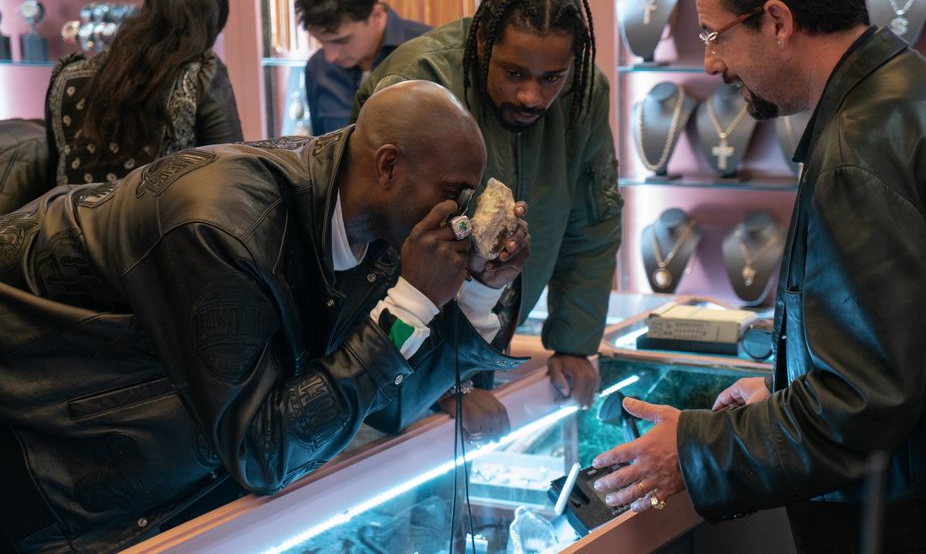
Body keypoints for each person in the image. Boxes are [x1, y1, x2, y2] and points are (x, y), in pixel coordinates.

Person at [0, 80, 530, 553]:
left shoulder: (376, 221)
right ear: (388, 166)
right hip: (44, 456)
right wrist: (412, 304)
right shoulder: (223, 228)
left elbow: (386, 407)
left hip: (162, 472)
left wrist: (481, 290)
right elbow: (262, 450)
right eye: (452, 192)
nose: (461, 214)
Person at [591, 0, 926, 552]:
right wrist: (787, 382)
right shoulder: (914, 99)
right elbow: (912, 345)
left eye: (714, 35)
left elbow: (859, 406)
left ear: (777, 21)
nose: (710, 64)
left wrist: (692, 448)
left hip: (906, 522)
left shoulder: (860, 151)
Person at [351, 0, 623, 435]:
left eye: (551, 78)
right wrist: (445, 386)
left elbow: (592, 222)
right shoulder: (417, 81)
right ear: (482, 46)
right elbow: (376, 250)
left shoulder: (584, 92)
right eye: (514, 73)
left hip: (491, 332)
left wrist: (575, 343)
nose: (531, 95)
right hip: (385, 358)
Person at [45, 0, 242, 187]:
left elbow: (51, 175)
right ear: (211, 27)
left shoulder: (67, 75)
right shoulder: (200, 75)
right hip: (161, 219)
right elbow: (230, 174)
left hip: (67, 217)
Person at [295, 0, 431, 135]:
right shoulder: (317, 68)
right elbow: (323, 156)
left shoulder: (428, 52)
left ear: (375, 15)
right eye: (322, 41)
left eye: (341, 41)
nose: (330, 56)